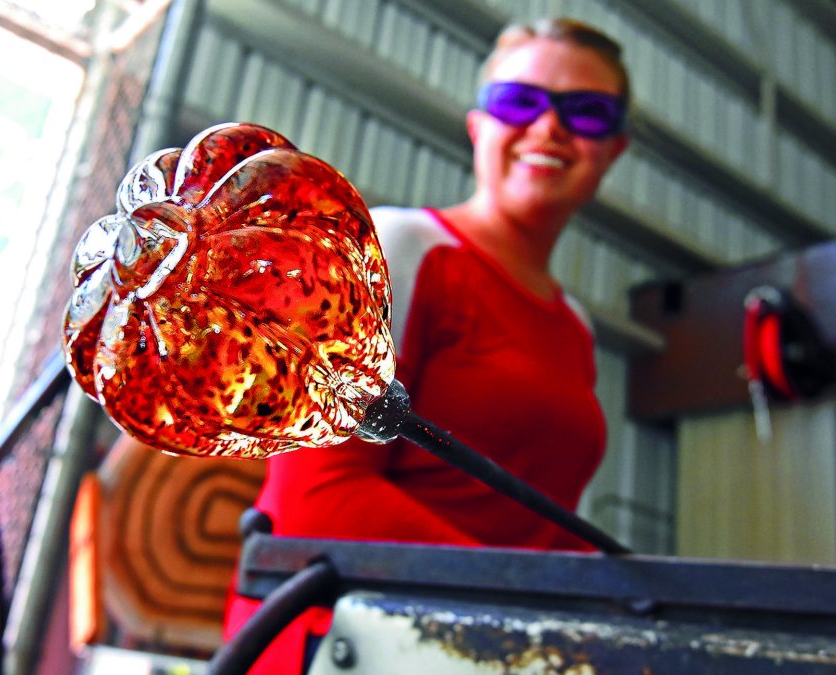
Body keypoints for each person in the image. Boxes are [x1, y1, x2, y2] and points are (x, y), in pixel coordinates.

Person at [222, 16, 632, 673]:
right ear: (479, 126)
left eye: (586, 112)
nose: (549, 126)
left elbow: (542, 531)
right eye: (519, 101)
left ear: (614, 149)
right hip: (341, 643)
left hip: (490, 650)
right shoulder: (397, 250)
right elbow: (316, 498)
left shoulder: (576, 328)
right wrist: (531, 604)